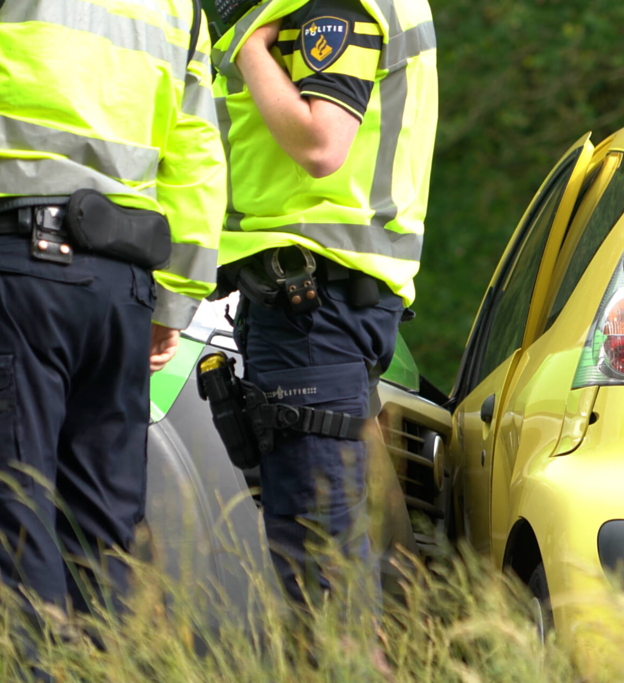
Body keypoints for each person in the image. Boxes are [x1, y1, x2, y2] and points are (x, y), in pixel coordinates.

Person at [0, 1, 226, 615]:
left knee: (11, 512)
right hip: (123, 291)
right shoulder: (181, 9)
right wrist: (173, 302)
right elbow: (198, 159)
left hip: (17, 268)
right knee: (103, 536)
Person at [211, 0, 437, 609]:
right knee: (332, 562)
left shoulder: (328, 7)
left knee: (320, 568)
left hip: (313, 307)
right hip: (315, 304)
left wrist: (252, 50)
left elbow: (321, 144)